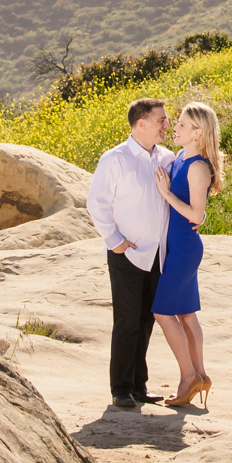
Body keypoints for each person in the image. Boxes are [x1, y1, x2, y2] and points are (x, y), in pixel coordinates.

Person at [88, 96, 176, 410]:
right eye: (161, 120)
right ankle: (121, 388)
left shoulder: (166, 157)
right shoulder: (115, 159)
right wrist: (116, 241)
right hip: (126, 253)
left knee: (146, 320)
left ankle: (140, 386)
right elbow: (96, 203)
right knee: (126, 321)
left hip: (158, 255)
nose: (166, 125)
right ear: (141, 124)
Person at [152, 100, 223, 408]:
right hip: (177, 245)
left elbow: (196, 215)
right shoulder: (181, 157)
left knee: (163, 312)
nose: (174, 128)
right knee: (185, 314)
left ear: (197, 132)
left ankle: (188, 377)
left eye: (180, 124)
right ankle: (201, 376)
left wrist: (166, 194)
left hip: (184, 248)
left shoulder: (197, 168)